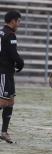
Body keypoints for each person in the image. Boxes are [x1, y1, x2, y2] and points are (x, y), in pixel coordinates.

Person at [0, 10, 24, 143]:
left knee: (10, 101)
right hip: (4, 72)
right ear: (13, 21)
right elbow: (13, 54)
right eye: (18, 21)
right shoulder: (10, 34)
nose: (19, 24)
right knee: (3, 102)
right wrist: (21, 63)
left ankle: (4, 132)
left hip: (7, 71)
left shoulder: (1, 32)